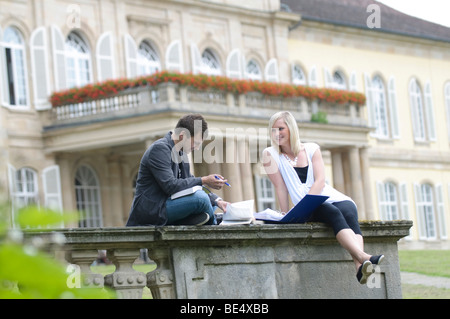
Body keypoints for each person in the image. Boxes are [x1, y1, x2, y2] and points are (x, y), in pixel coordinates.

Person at [262, 111, 384, 284]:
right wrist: (285, 213)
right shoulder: (270, 154)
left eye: (280, 128)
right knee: (332, 212)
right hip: (304, 206)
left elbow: (320, 180)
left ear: (291, 128)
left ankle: (359, 266)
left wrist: (312, 200)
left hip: (323, 195)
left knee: (349, 209)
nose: (277, 134)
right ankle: (363, 257)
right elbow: (280, 187)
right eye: (273, 130)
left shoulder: (312, 149)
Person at [126, 114, 229, 227]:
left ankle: (200, 219)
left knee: (210, 202)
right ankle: (215, 224)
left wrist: (218, 200)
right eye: (196, 143)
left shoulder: (181, 153)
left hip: (169, 205)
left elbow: (190, 182)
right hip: (153, 210)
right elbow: (170, 186)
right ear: (183, 135)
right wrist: (204, 180)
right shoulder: (159, 149)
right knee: (201, 199)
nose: (197, 148)